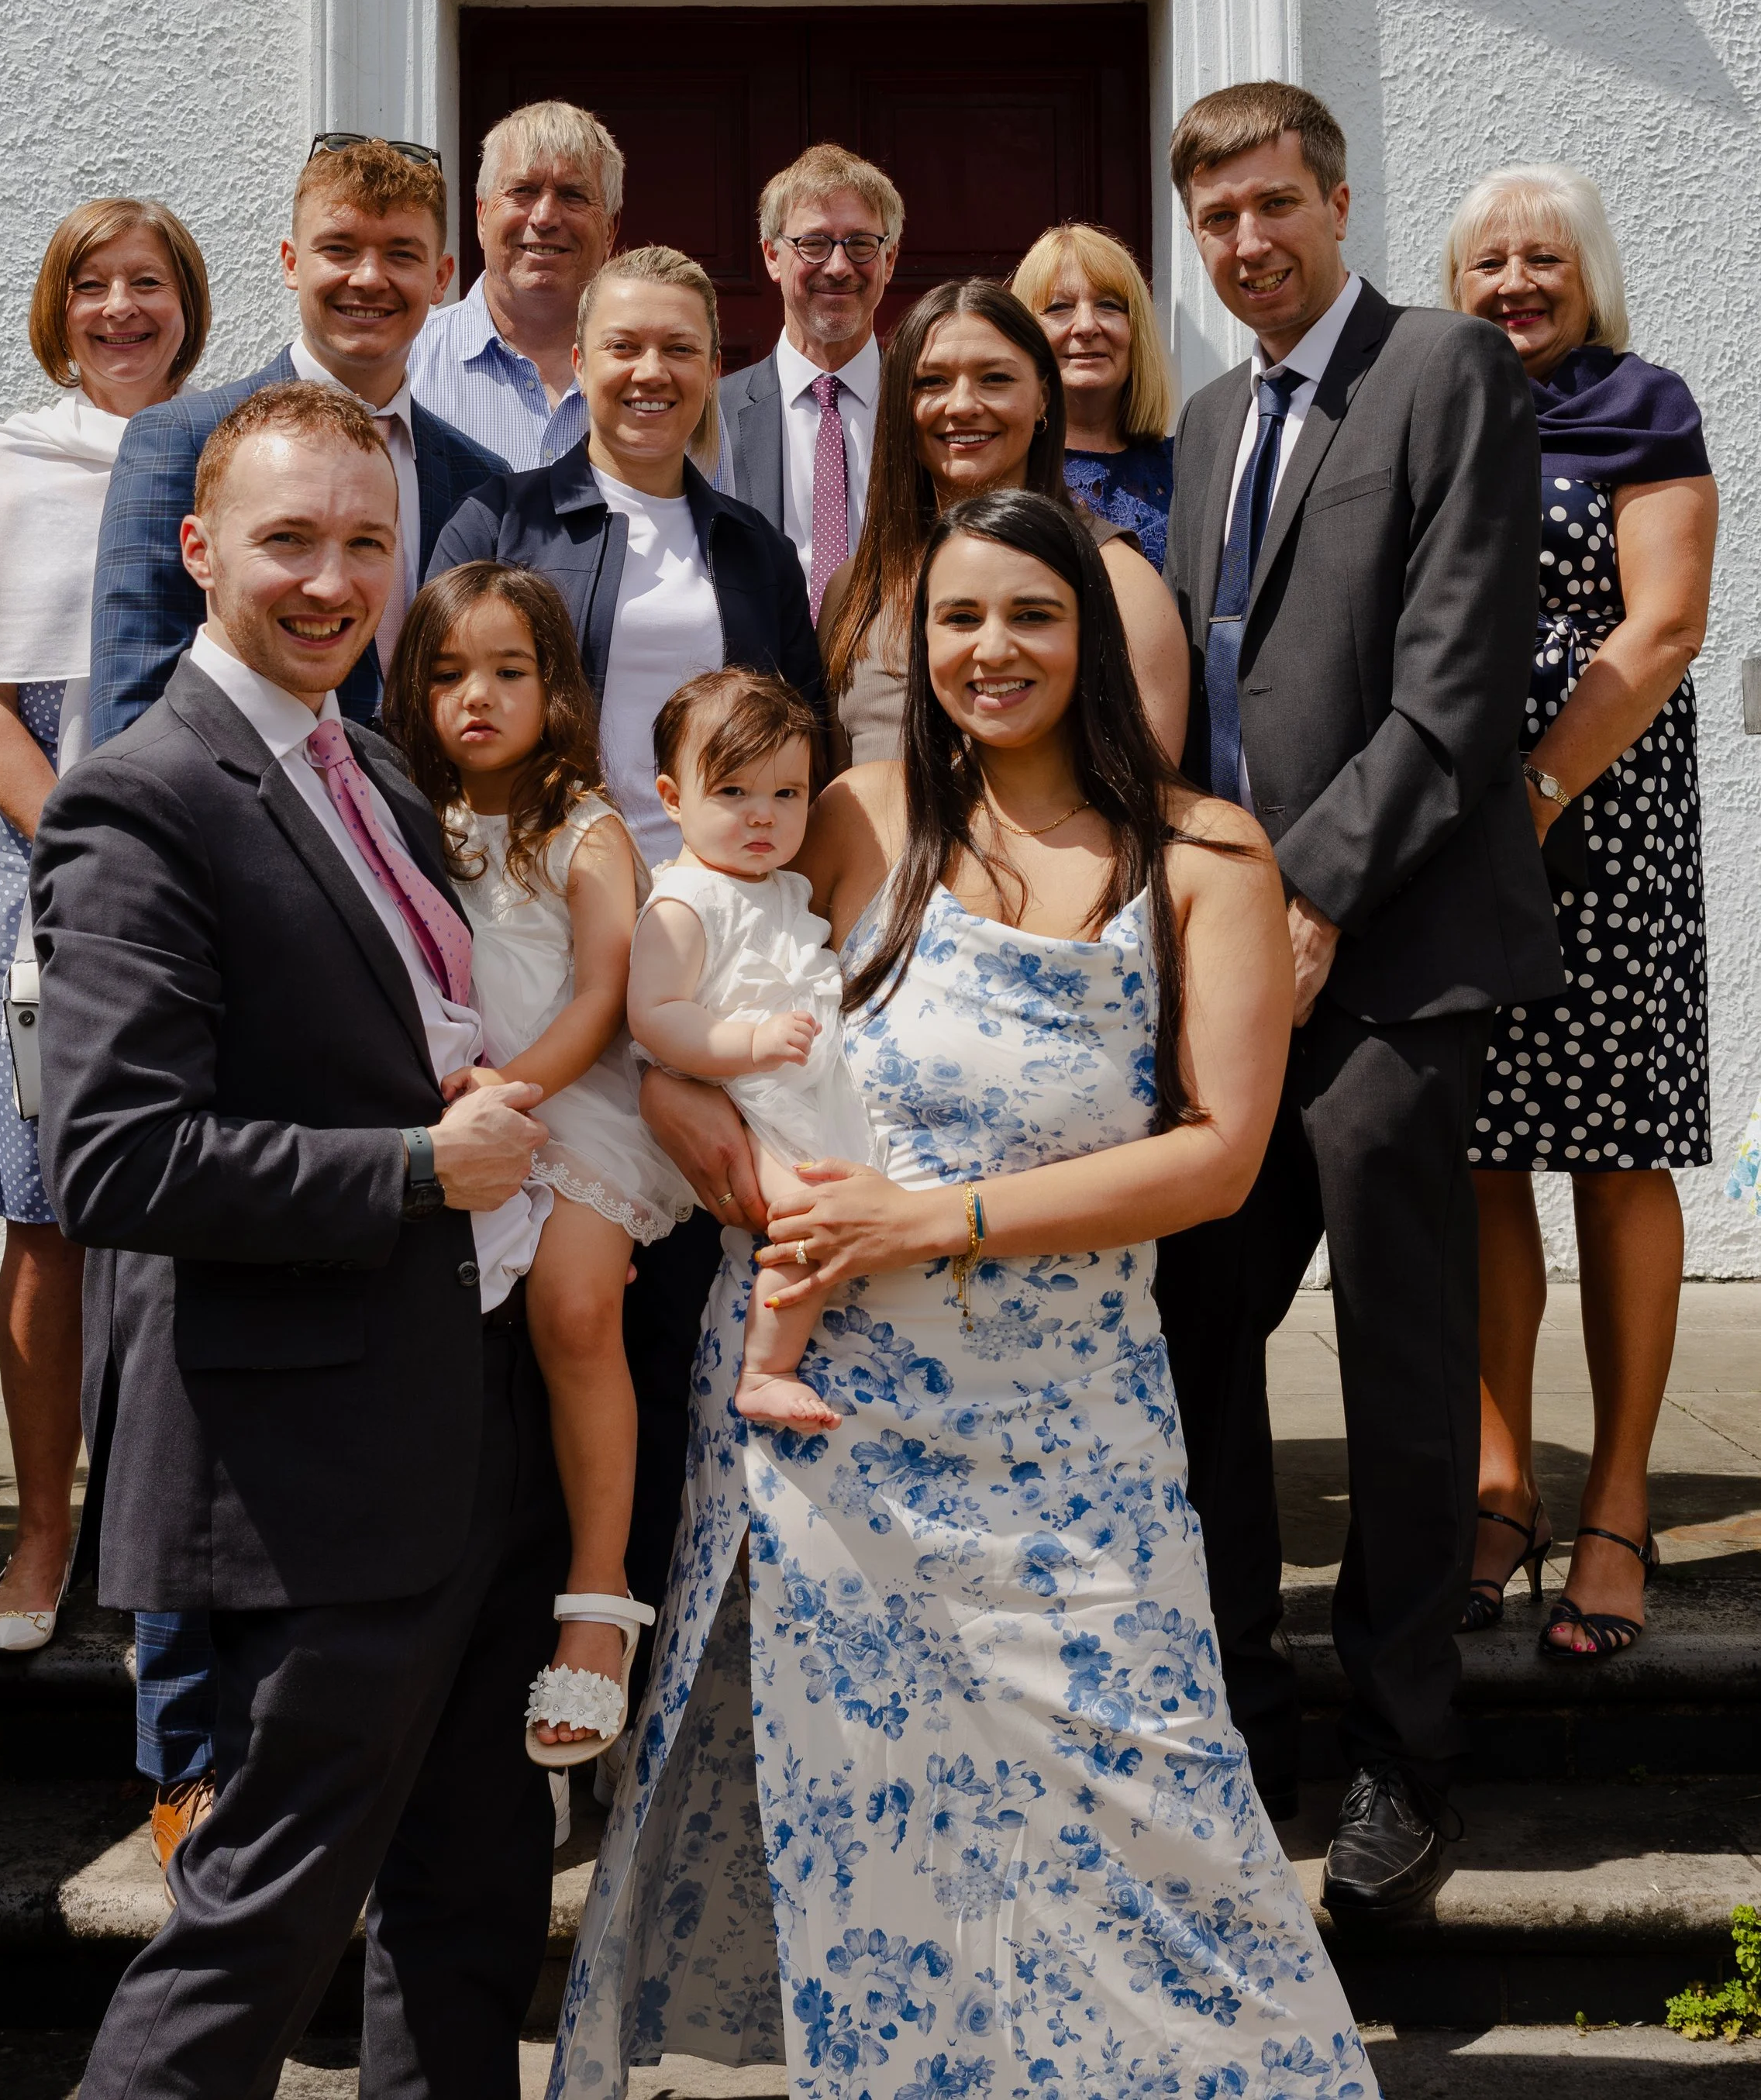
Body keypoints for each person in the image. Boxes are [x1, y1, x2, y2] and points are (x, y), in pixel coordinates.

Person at [556, 487, 1377, 2100]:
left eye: (1028, 615)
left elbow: (1215, 1160)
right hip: (826, 1426)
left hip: (1069, 1431)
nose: (988, 650)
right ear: (911, 646)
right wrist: (683, 1108)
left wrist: (929, 1221)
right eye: (954, 620)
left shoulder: (1205, 856)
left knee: (1159, 1822)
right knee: (883, 1845)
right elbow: (687, 982)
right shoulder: (853, 811)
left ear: (1092, 636)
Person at [32, 381, 563, 2100]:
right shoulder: (142, 802)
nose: (330, 580)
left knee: (465, 1898)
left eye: (362, 543)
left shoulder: (371, 768)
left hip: (457, 1420)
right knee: (255, 1933)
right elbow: (115, 1157)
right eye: (287, 542)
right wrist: (416, 1168)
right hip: (304, 1467)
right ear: (196, 551)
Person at [1153, 80, 1563, 1916]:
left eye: (1270, 205)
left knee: (1400, 1367)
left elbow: (1458, 682)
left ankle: (1408, 1759)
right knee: (1186, 1328)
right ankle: (1240, 1709)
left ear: (1334, 198)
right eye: (1215, 218)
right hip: (1232, 961)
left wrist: (1308, 892)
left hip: (1391, 961)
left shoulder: (1443, 372)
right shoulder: (1213, 413)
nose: (1246, 241)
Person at [430, 243, 827, 1630]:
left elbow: (803, 756)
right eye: (623, 346)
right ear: (578, 360)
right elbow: (432, 723)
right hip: (540, 958)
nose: (650, 373)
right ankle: (530, 1653)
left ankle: (657, 1653)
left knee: (684, 1327)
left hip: (710, 962)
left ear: (713, 364)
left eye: (679, 347)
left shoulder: (752, 548)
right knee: (532, 1332)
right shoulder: (498, 515)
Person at [0, 198, 210, 1655]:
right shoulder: (3, 459)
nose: (119, 310)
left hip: (197, 846)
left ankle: (179, 1524)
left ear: (187, 302)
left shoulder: (225, 440)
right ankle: (43, 1537)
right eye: (92, 286)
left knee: (196, 1185)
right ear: (58, 308)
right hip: (35, 845)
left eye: (147, 284)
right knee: (50, 1205)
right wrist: (86, 855)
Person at [1442, 165, 1716, 1661]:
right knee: (1483, 1161)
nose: (1516, 285)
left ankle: (1615, 1502)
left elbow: (1663, 626)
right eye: (1488, 262)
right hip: (1457, 829)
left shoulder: (1641, 404)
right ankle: (1501, 1487)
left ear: (1588, 274)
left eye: (1543, 260)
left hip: (1598, 828)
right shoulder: (1440, 402)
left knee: (1612, 1158)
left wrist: (1538, 795)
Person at [381, 560, 693, 1765]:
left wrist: (515, 1089)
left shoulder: (586, 826)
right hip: (460, 1119)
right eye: (451, 672)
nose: (479, 696)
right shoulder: (411, 813)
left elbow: (609, 991)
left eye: (511, 671)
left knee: (572, 1313)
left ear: (556, 687)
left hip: (576, 1110)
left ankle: (599, 1593)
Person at [90, 133, 504, 748]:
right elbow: (134, 713)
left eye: (401, 254)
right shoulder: (178, 442)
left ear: (441, 276)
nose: (369, 278)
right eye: (339, 249)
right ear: (290, 262)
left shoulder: (481, 480)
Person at [630, 667, 879, 1433]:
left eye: (786, 794)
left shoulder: (779, 885)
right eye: (733, 793)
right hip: (743, 1096)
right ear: (673, 800)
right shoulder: (682, 901)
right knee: (806, 1220)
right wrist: (750, 1044)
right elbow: (656, 1017)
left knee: (846, 1205)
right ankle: (765, 1373)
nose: (762, 817)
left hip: (796, 1089)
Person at [818, 274, 1188, 770]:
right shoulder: (857, 589)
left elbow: (1148, 794)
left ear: (1043, 398)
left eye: (995, 378)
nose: (963, 405)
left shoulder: (1116, 579)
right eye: (932, 382)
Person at [718, 145, 902, 615]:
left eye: (861, 244)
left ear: (890, 260)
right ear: (772, 257)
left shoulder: (925, 406)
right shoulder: (709, 415)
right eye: (813, 244)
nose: (838, 268)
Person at [408, 101, 623, 466]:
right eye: (523, 190)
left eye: (573, 195)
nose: (545, 218)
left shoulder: (660, 385)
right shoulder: (407, 366)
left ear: (610, 231)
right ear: (481, 216)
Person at [1011, 218, 1177, 567]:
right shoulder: (1001, 465)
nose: (1087, 326)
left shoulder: (1188, 468)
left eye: (1110, 305)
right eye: (1058, 307)